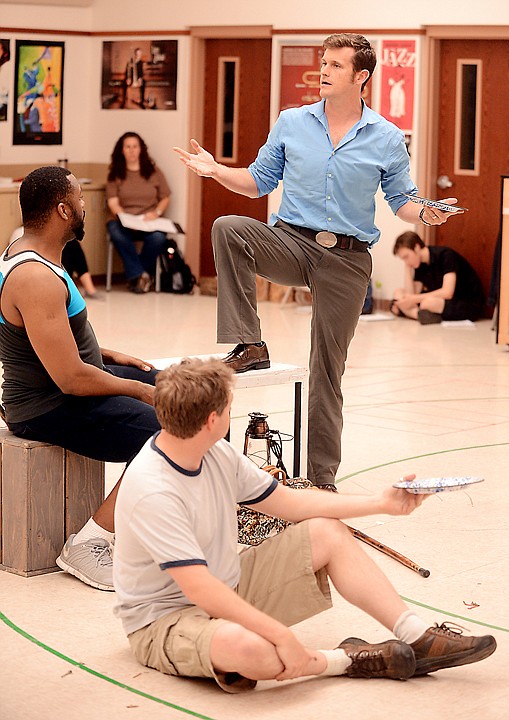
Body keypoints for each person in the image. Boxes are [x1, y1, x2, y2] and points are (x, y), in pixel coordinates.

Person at [174, 33, 462, 491]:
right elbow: (258, 181)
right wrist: (215, 171)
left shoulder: (386, 137)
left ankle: (321, 479)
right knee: (228, 227)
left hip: (347, 261)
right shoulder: (292, 122)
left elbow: (401, 200)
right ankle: (250, 345)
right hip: (290, 242)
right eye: (322, 62)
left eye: (335, 65)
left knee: (327, 370)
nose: (323, 71)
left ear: (361, 76)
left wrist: (426, 212)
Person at [113, 357, 496, 692]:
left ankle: (417, 636)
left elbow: (290, 502)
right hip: (165, 620)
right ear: (212, 419)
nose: (232, 416)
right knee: (254, 652)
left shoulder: (216, 452)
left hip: (226, 584)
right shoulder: (154, 490)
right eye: (230, 409)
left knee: (327, 529)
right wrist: (280, 635)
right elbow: (200, 591)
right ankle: (344, 660)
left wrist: (382, 504)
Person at [0, 166, 161, 591]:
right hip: (48, 405)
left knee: (176, 389)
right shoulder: (34, 276)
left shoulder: (29, 247)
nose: (85, 205)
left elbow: (52, 337)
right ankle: (90, 543)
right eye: (81, 199)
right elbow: (70, 377)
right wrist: (139, 390)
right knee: (169, 430)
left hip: (68, 383)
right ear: (62, 209)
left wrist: (108, 355)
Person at [107, 132, 170, 293]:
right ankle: (142, 275)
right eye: (127, 147)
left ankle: (137, 277)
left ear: (141, 149)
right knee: (116, 232)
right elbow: (113, 203)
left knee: (158, 238)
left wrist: (156, 212)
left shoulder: (154, 171)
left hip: (148, 220)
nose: (132, 150)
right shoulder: (115, 173)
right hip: (122, 219)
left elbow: (165, 197)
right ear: (122, 150)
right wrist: (125, 218)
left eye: (135, 146)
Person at [391, 231, 485, 324]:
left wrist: (413, 299)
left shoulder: (446, 255)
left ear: (416, 247)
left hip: (466, 302)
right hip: (443, 301)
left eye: (406, 257)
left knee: (427, 303)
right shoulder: (419, 264)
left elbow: (447, 292)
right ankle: (419, 315)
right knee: (398, 293)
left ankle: (412, 314)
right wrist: (407, 268)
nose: (406, 261)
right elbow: (411, 294)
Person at [9, 226, 101, 300]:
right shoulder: (20, 234)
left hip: (51, 276)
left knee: (71, 243)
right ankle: (77, 288)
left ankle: (88, 288)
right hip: (38, 280)